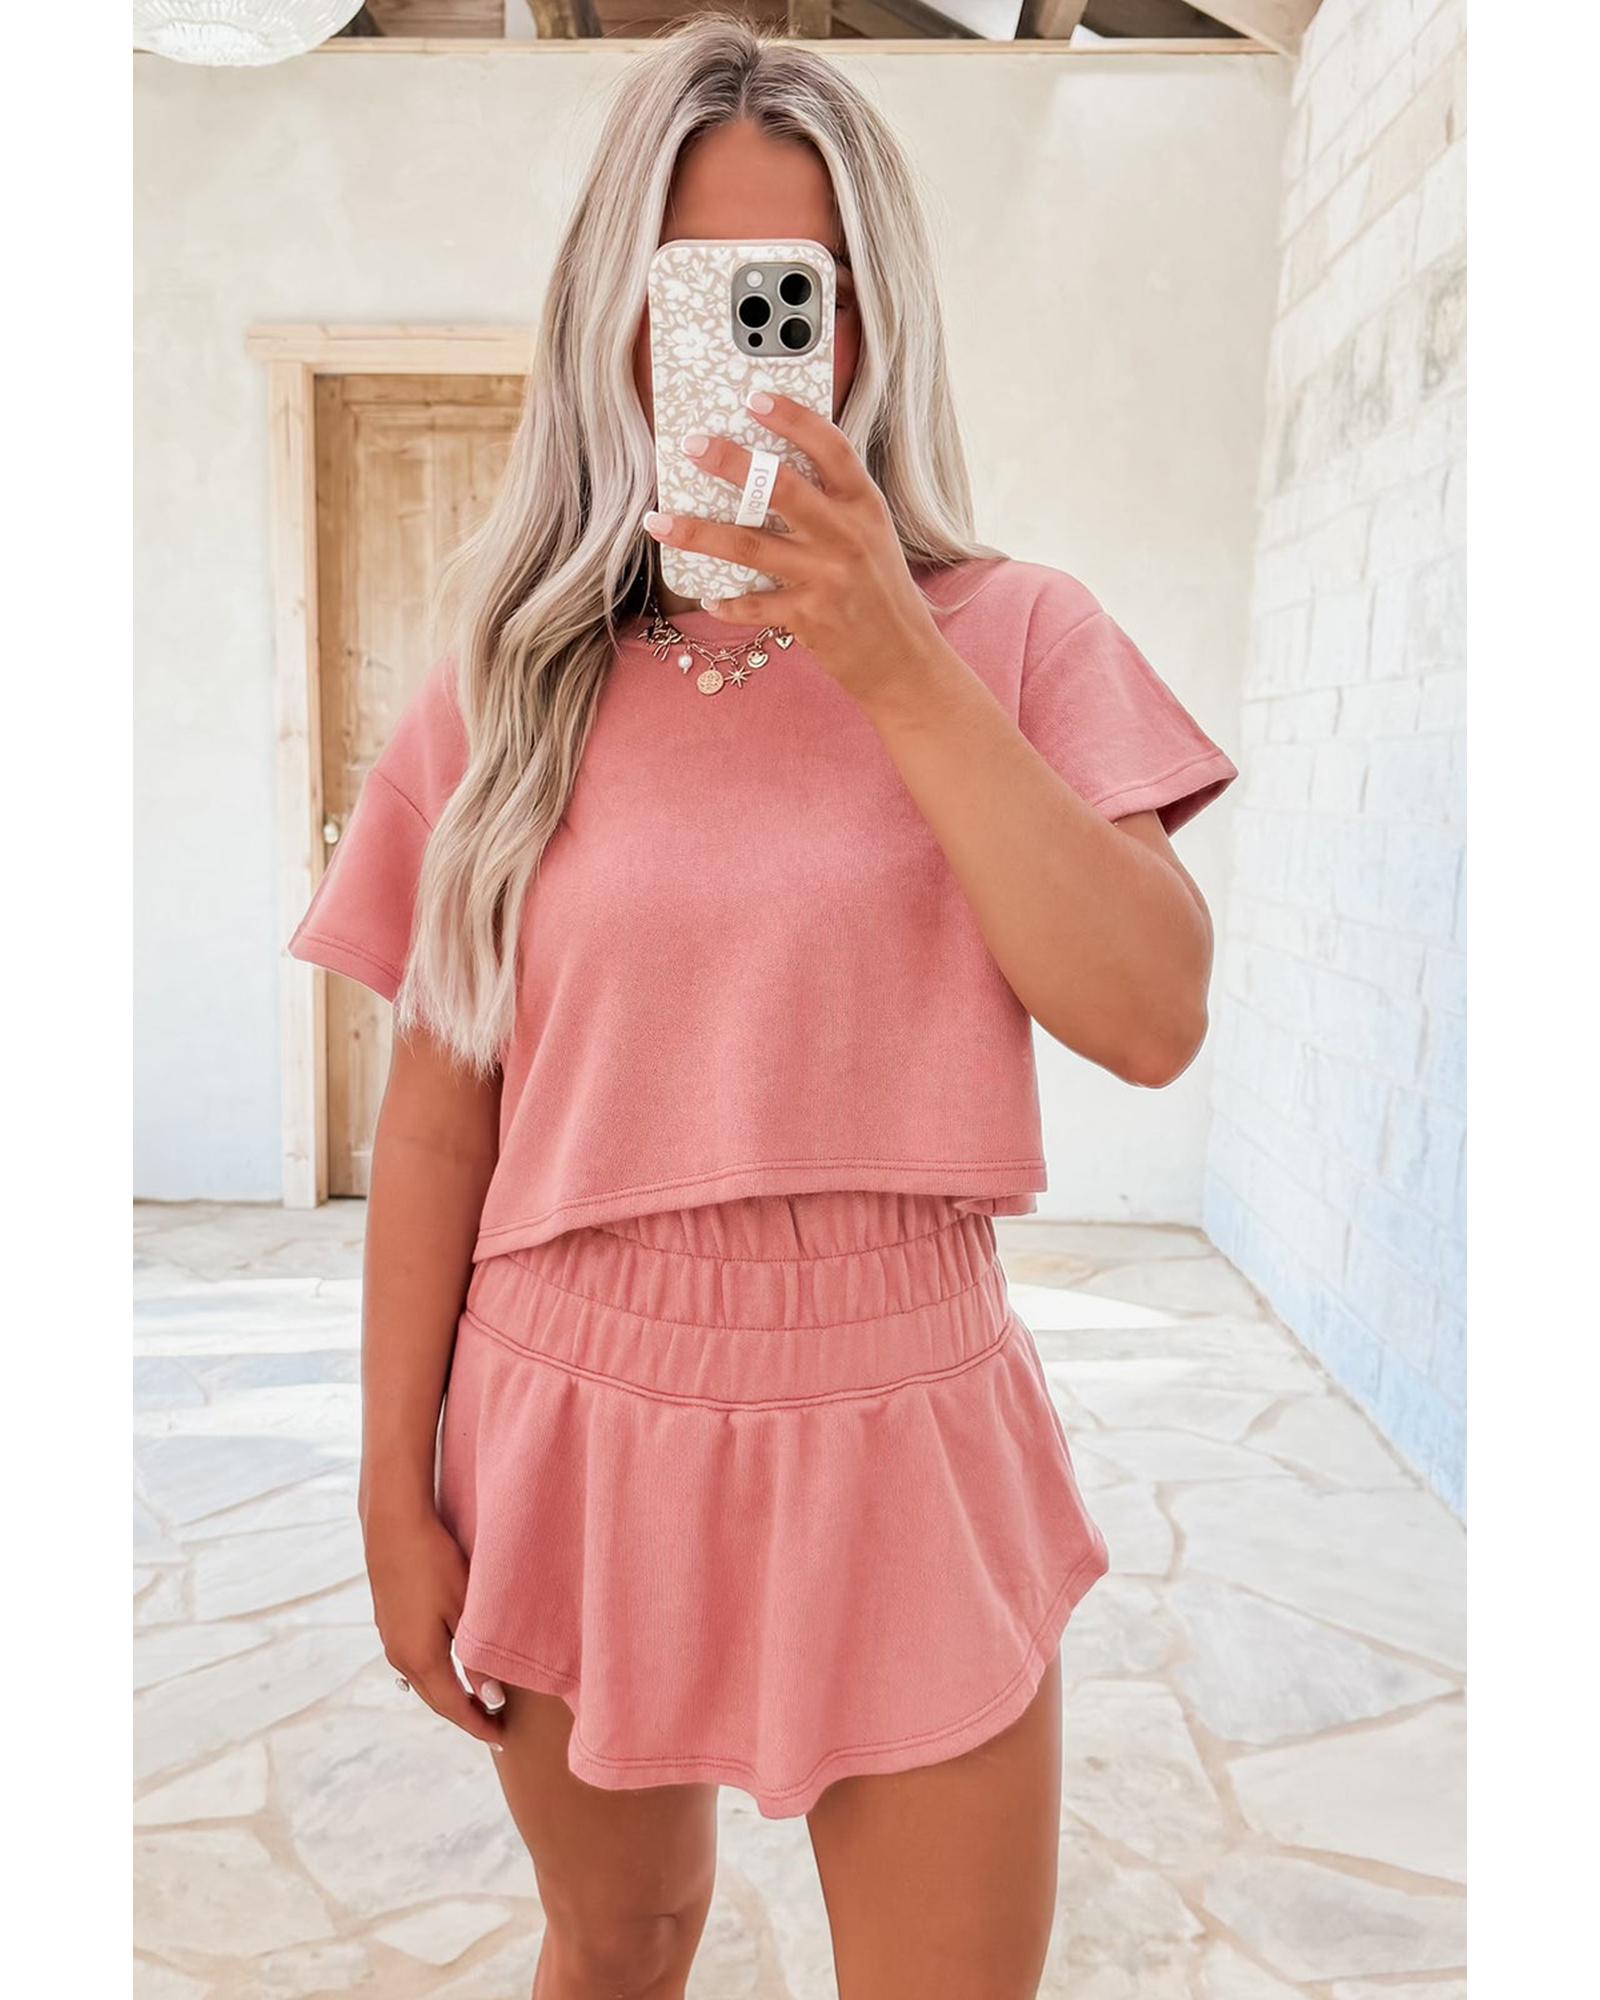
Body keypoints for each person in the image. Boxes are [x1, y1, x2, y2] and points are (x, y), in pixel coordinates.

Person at [288, 18, 1236, 1999]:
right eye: (689, 290)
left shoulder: (1014, 635)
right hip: (571, 1406)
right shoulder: (507, 679)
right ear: (611, 320)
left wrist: (893, 659)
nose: (738, 344)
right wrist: (392, 1482)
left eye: (792, 291)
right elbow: (443, 1114)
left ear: (870, 320)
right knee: (618, 1937)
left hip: (907, 1414)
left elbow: (1151, 1013)